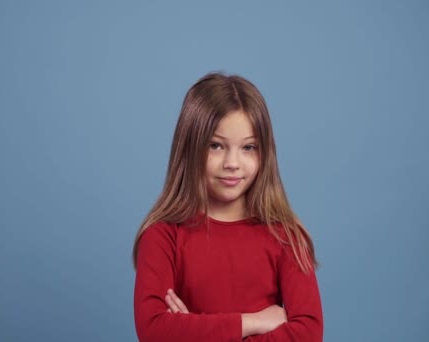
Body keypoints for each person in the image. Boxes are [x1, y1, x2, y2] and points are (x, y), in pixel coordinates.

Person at [132, 72, 323, 341]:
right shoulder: (163, 237)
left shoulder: (287, 238)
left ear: (264, 152)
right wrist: (253, 322)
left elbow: (308, 334)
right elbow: (154, 331)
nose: (232, 163)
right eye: (216, 145)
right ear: (189, 148)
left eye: (248, 147)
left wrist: (193, 330)